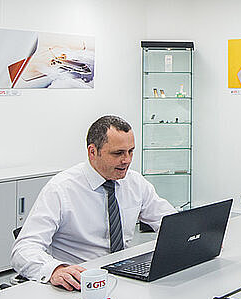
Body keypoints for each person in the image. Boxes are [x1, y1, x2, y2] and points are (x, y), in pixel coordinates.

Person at [12, 114, 175, 289]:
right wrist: (55, 270)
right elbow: (23, 249)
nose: (127, 160)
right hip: (80, 282)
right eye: (118, 153)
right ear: (92, 152)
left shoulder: (135, 182)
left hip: (123, 277)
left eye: (131, 151)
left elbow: (171, 223)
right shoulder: (61, 189)